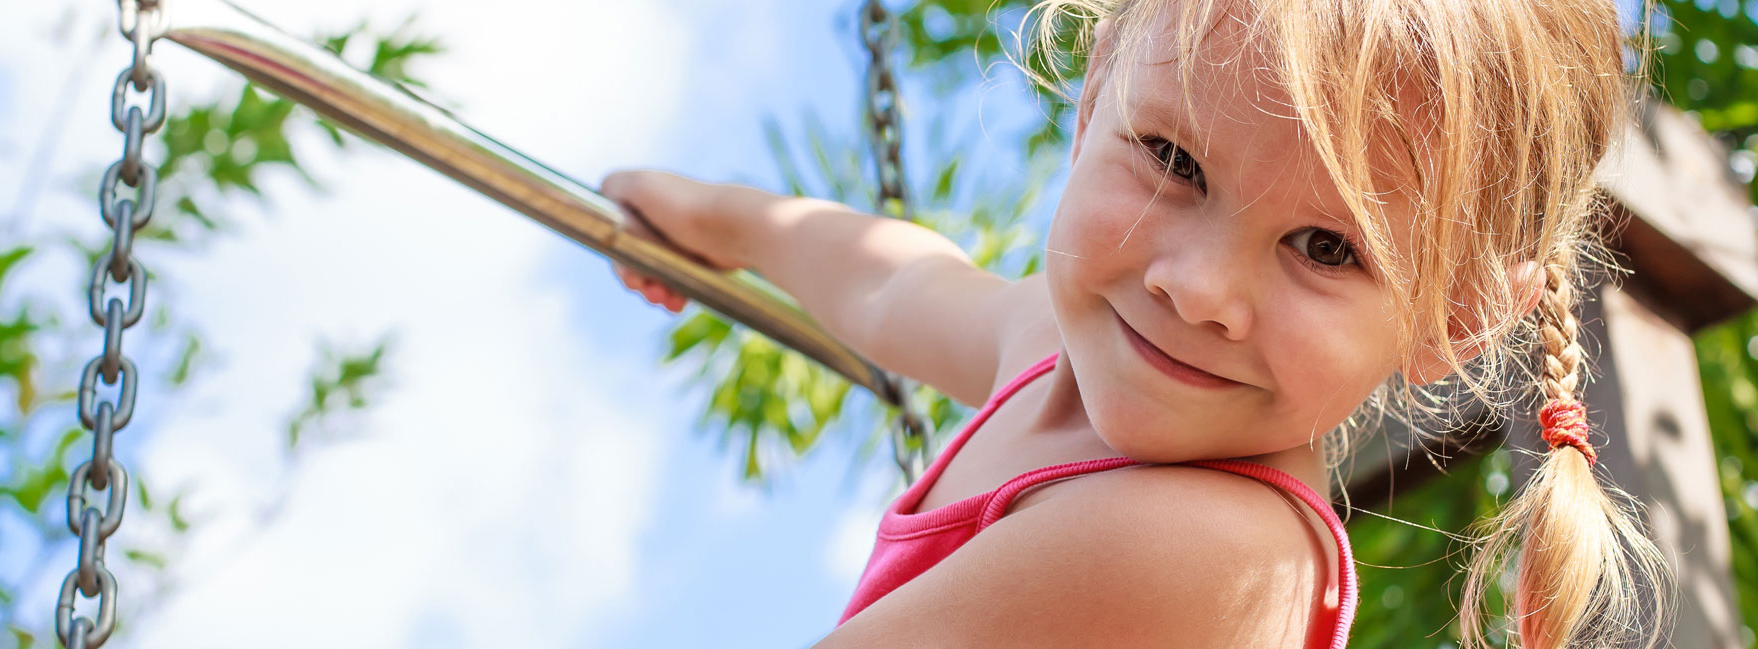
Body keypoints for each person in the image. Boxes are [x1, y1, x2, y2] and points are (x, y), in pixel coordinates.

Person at [600, 0, 1674, 645]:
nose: (1198, 287)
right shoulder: (1048, 355)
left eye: (1324, 248)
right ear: (1094, 90)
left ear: (1457, 319)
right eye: (1172, 160)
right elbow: (892, 284)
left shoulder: (1204, 548)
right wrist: (717, 220)